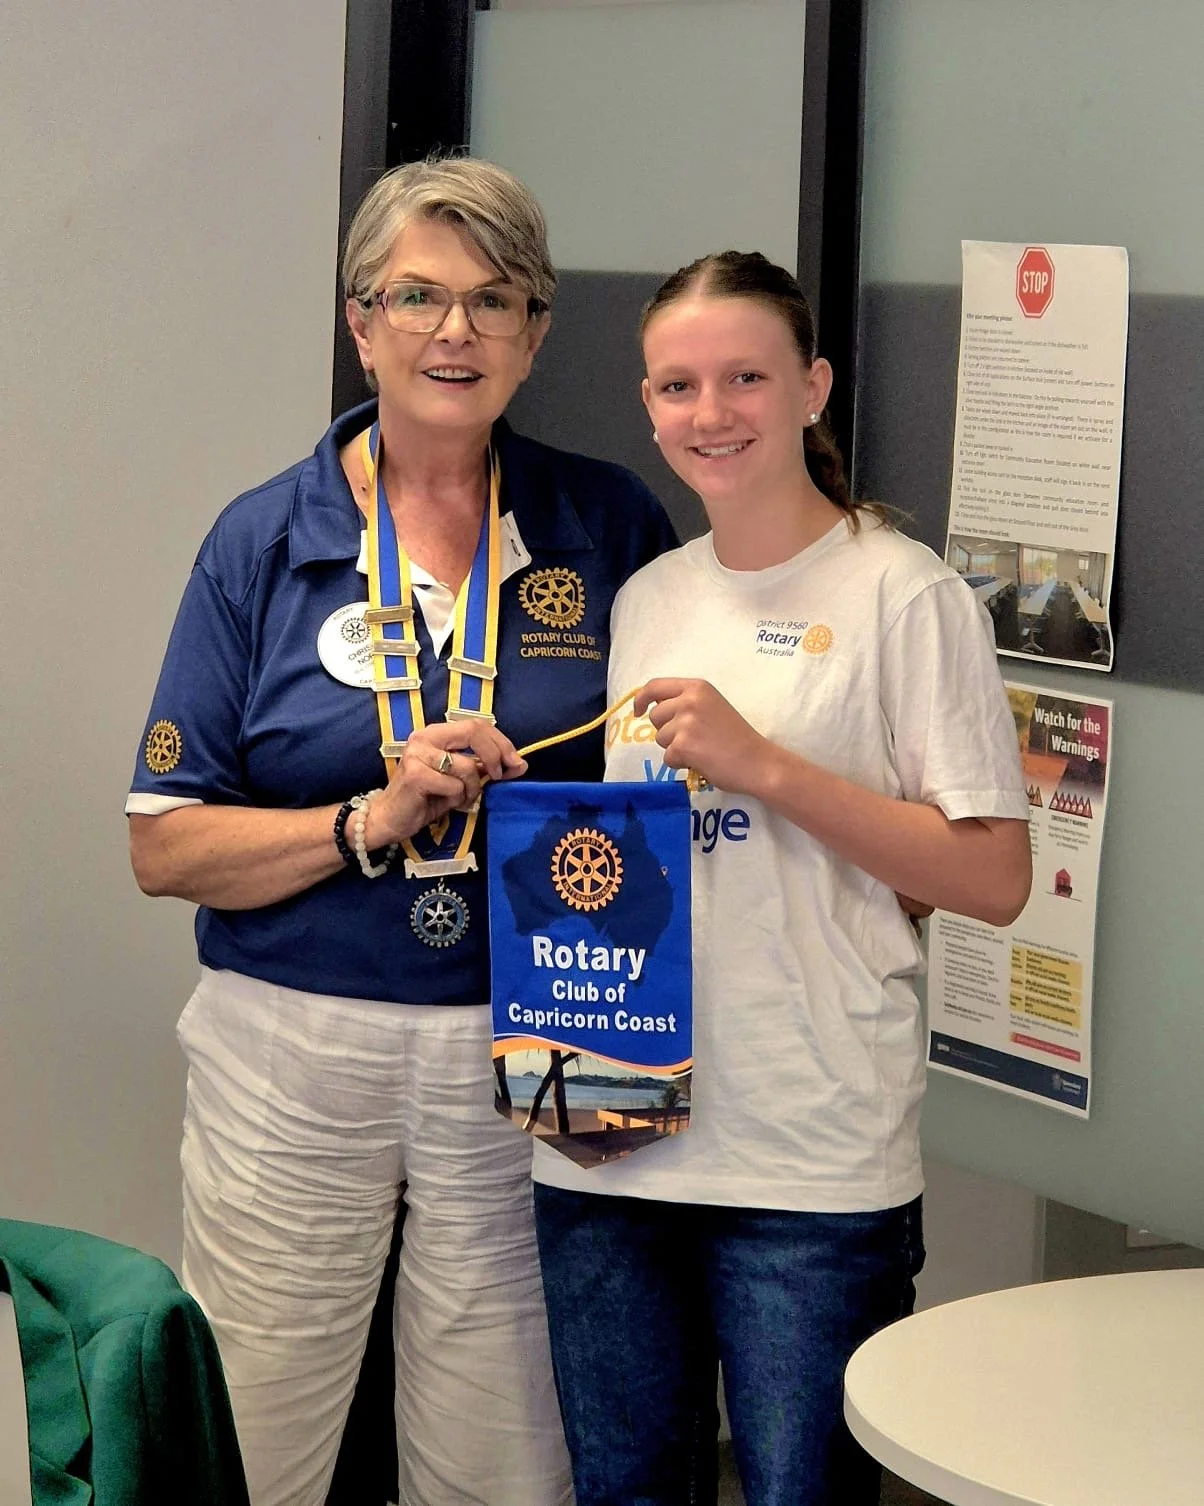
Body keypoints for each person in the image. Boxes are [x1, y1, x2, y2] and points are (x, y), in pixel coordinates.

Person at [126, 157, 676, 1506]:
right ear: (360, 321)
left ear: (538, 334)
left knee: (507, 1454)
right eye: (418, 296)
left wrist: (626, 1056)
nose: (455, 332)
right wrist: (366, 817)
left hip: (535, 1036)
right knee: (254, 1430)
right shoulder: (262, 539)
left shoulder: (606, 524)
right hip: (293, 1048)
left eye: (496, 301)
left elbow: (662, 809)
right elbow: (164, 845)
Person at [531, 251, 1033, 1506]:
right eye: (678, 386)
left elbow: (994, 877)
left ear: (810, 388)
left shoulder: (903, 596)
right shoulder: (648, 597)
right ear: (646, 405)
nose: (711, 414)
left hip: (806, 1162)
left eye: (745, 377)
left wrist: (765, 765)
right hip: (609, 1131)